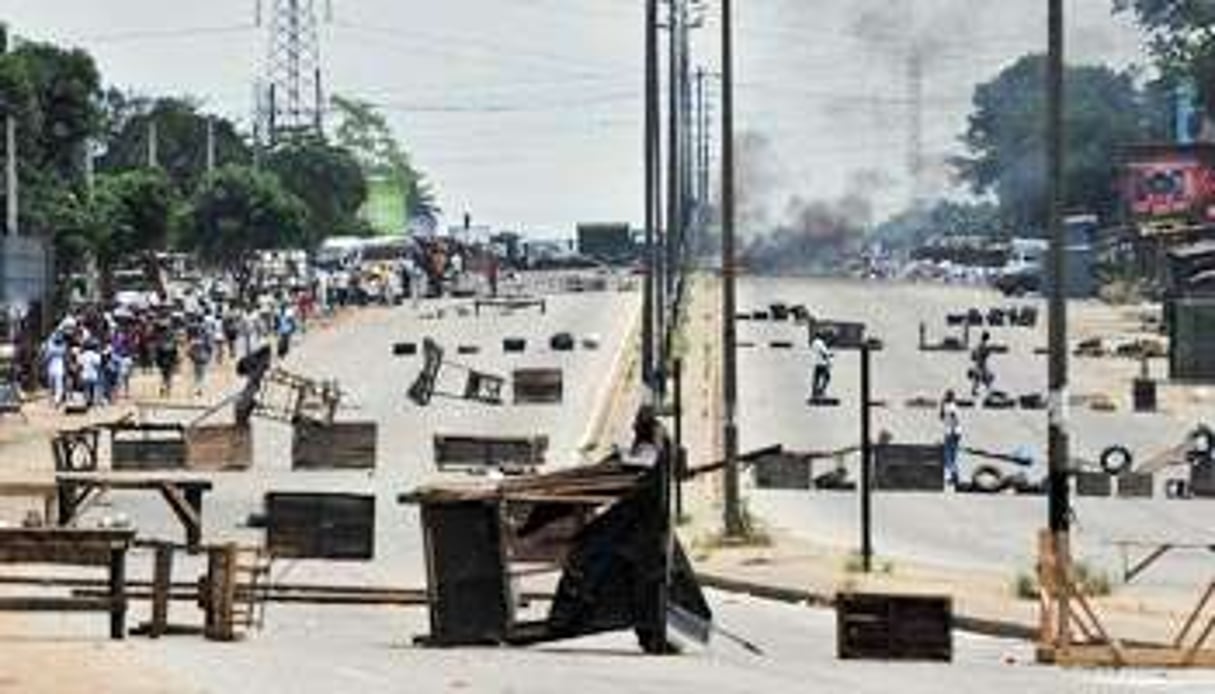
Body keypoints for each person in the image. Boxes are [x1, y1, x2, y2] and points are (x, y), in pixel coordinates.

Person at [940, 389, 962, 487]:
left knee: (948, 456)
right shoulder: (948, 406)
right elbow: (941, 417)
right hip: (952, 432)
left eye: (947, 396)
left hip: (952, 433)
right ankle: (954, 476)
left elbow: (955, 420)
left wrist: (952, 433)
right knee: (951, 456)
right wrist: (941, 406)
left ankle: (953, 476)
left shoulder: (952, 407)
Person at [809, 330, 833, 401]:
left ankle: (814, 392)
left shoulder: (813, 343)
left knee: (817, 378)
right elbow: (824, 352)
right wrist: (830, 355)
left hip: (816, 362)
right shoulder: (820, 343)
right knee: (827, 377)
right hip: (822, 363)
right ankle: (821, 390)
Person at [970, 330, 994, 396]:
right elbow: (984, 354)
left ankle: (976, 390)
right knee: (983, 377)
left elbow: (973, 355)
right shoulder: (982, 345)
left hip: (979, 363)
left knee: (982, 378)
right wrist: (988, 352)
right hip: (981, 364)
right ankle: (986, 390)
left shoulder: (979, 345)